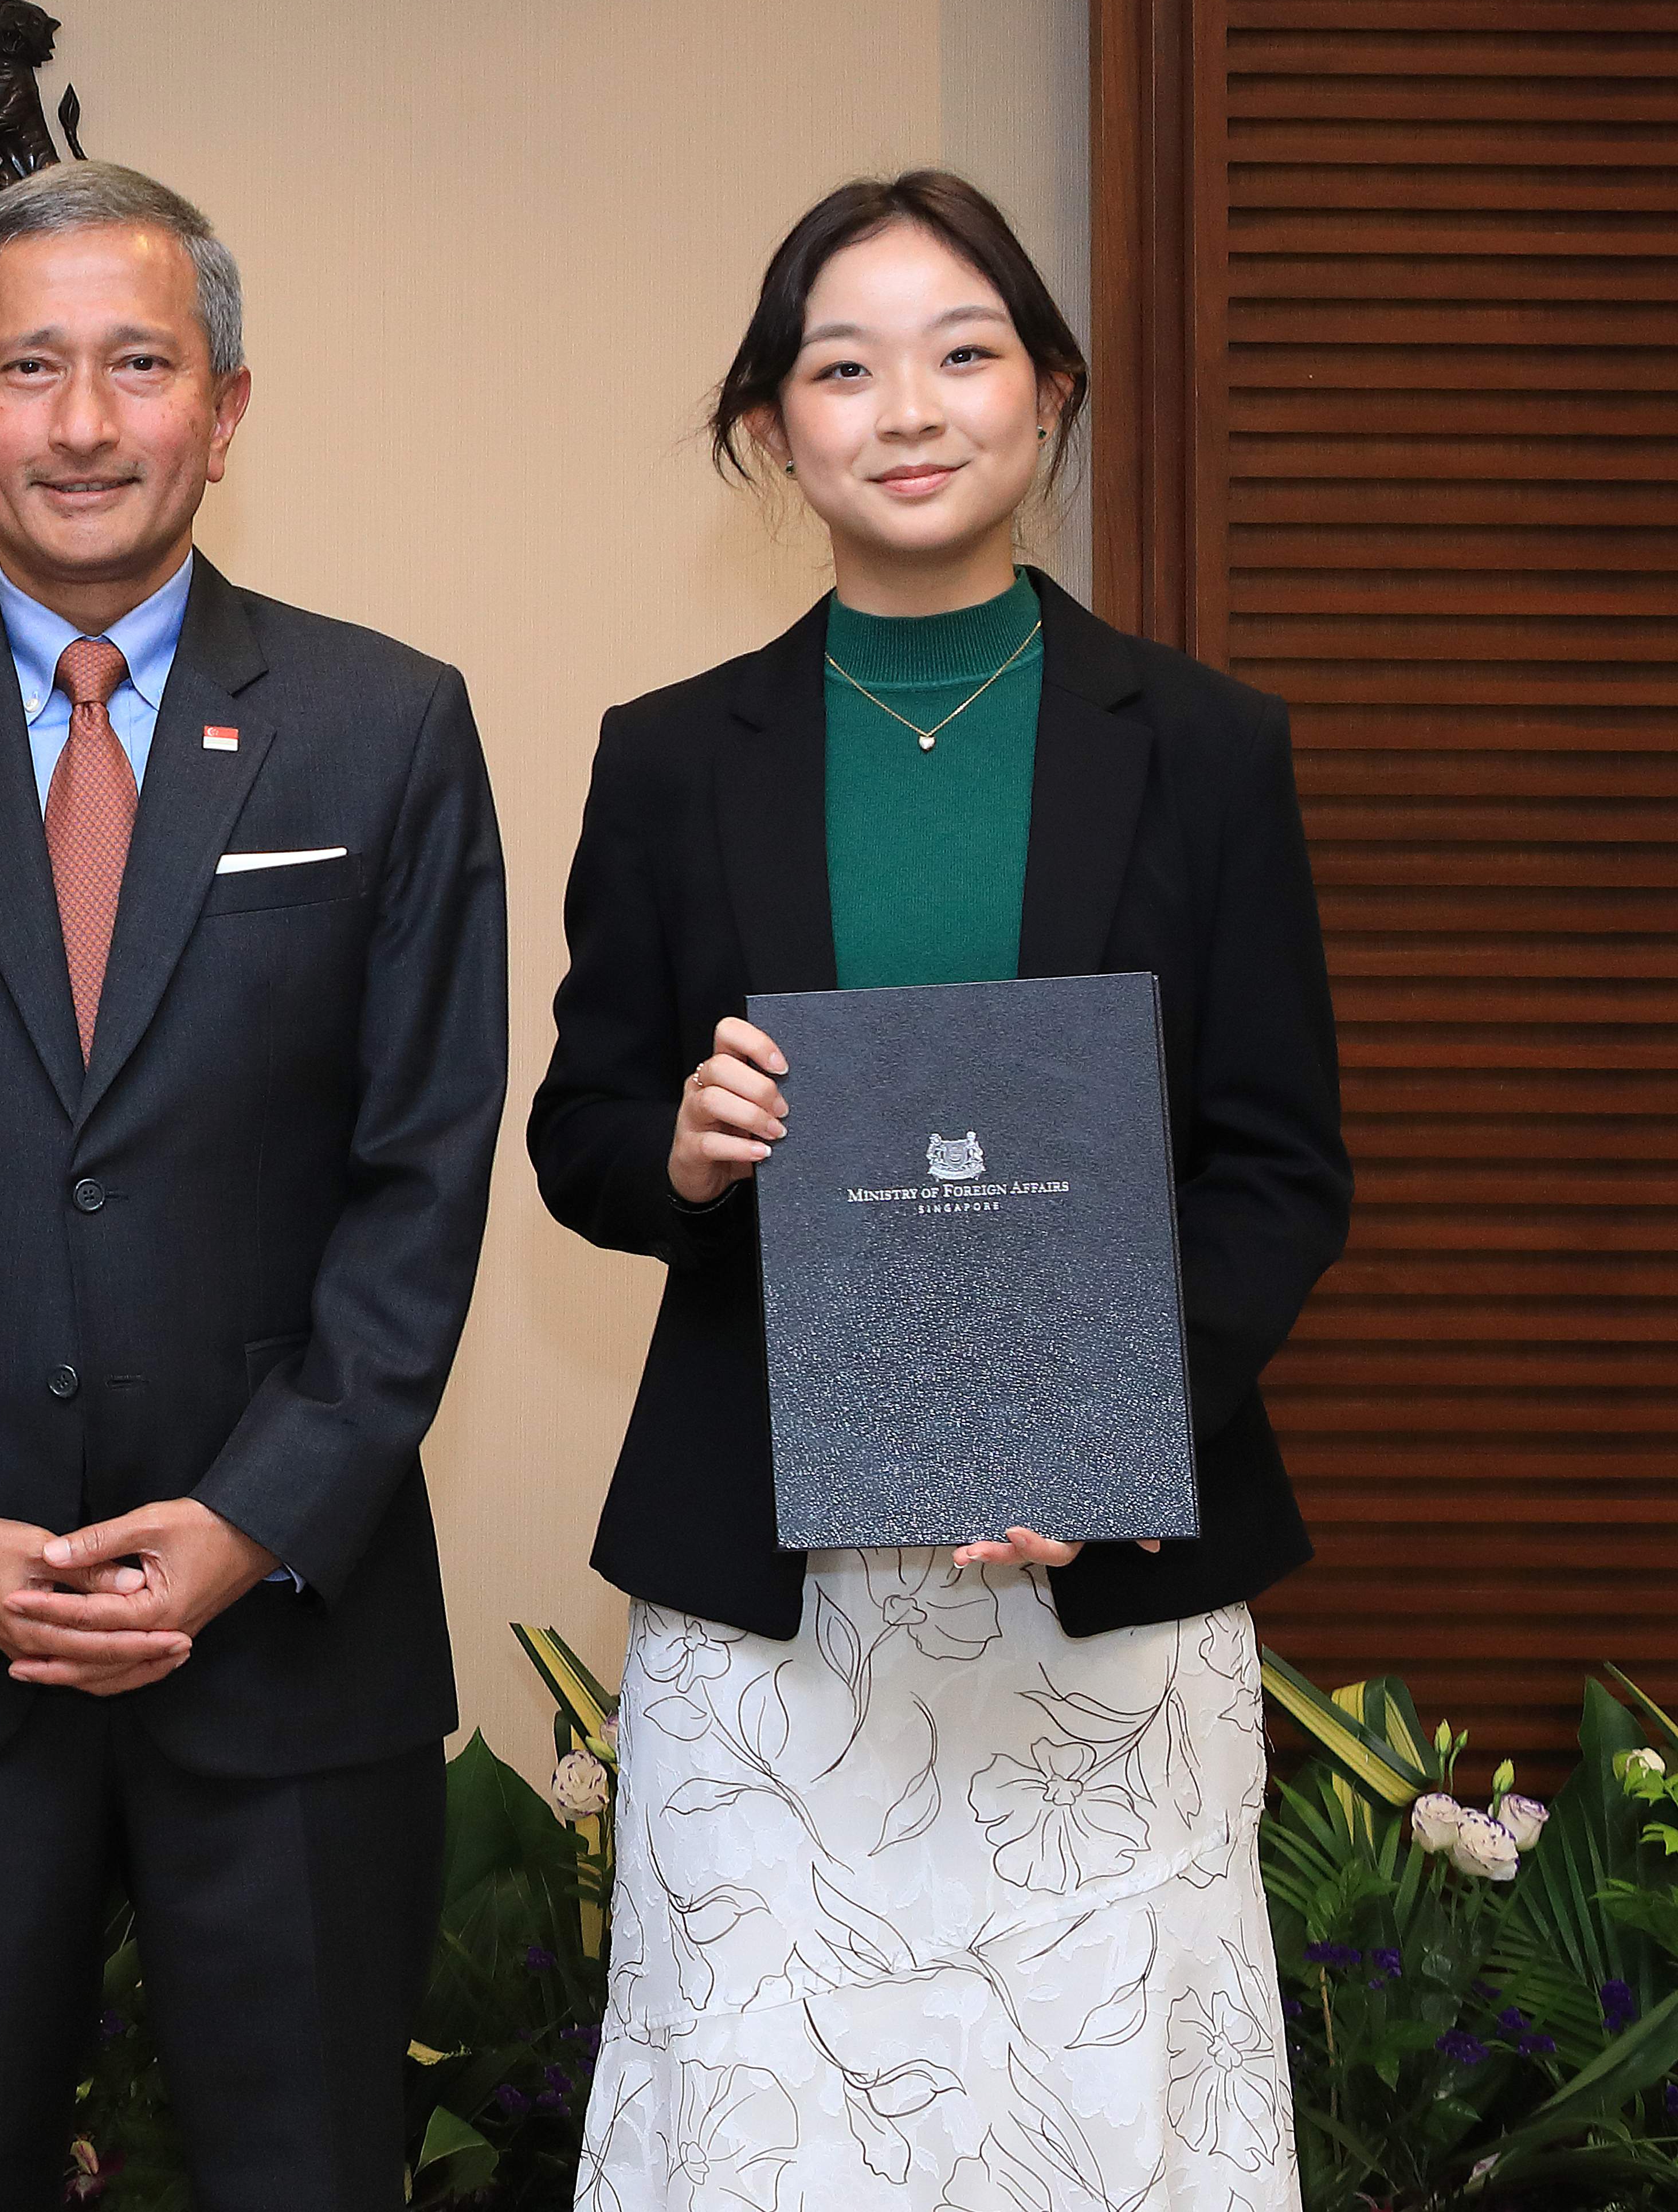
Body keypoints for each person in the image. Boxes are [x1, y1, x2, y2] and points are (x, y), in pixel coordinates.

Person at [0, 160, 512, 2212]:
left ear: (225, 409)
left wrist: (252, 1523)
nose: (81, 422)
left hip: (291, 1646)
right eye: (27, 369)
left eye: (137, 365)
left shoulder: (384, 728)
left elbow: (421, 1180)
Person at [533, 171, 1348, 2209]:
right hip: (775, 1604)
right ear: (771, 427)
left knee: (1103, 2133)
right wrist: (686, 1152)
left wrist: (1123, 1421)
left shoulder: (1211, 746)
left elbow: (1279, 1163)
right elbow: (579, 1130)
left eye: (964, 352)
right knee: (769, 2124)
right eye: (845, 364)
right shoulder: (670, 756)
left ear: (1049, 397)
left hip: (1107, 1590)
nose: (910, 405)